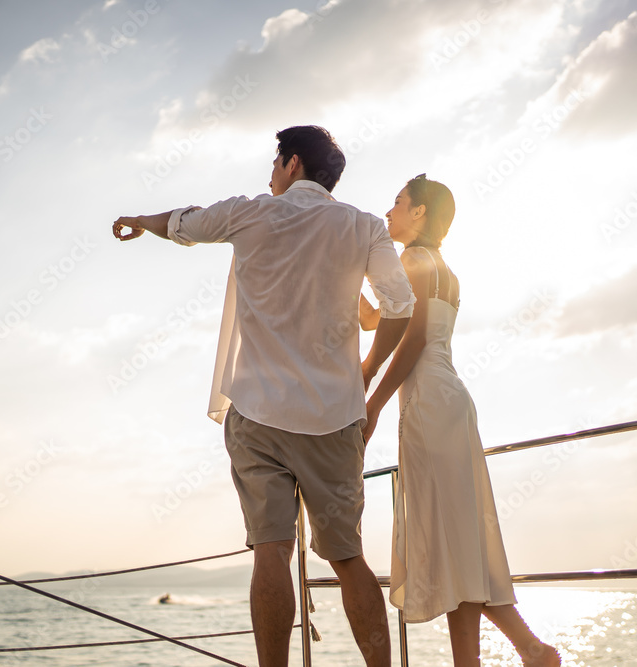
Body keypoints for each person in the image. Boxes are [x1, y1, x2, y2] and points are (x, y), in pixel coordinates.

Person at [112, 126, 415, 667]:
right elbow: (399, 305)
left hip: (257, 415)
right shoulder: (364, 226)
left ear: (292, 163)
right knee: (348, 558)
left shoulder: (251, 213)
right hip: (334, 417)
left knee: (271, 552)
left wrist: (139, 220)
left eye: (275, 163)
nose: (270, 173)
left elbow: (183, 223)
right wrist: (366, 374)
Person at [360, 174, 561, 666]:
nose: (389, 212)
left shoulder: (414, 260)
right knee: (459, 544)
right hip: (450, 401)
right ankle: (529, 650)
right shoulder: (442, 267)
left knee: (453, 544)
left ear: (422, 213)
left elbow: (413, 339)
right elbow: (376, 320)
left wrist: (374, 402)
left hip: (428, 401)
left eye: (399, 202)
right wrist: (346, 278)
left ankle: (531, 648)